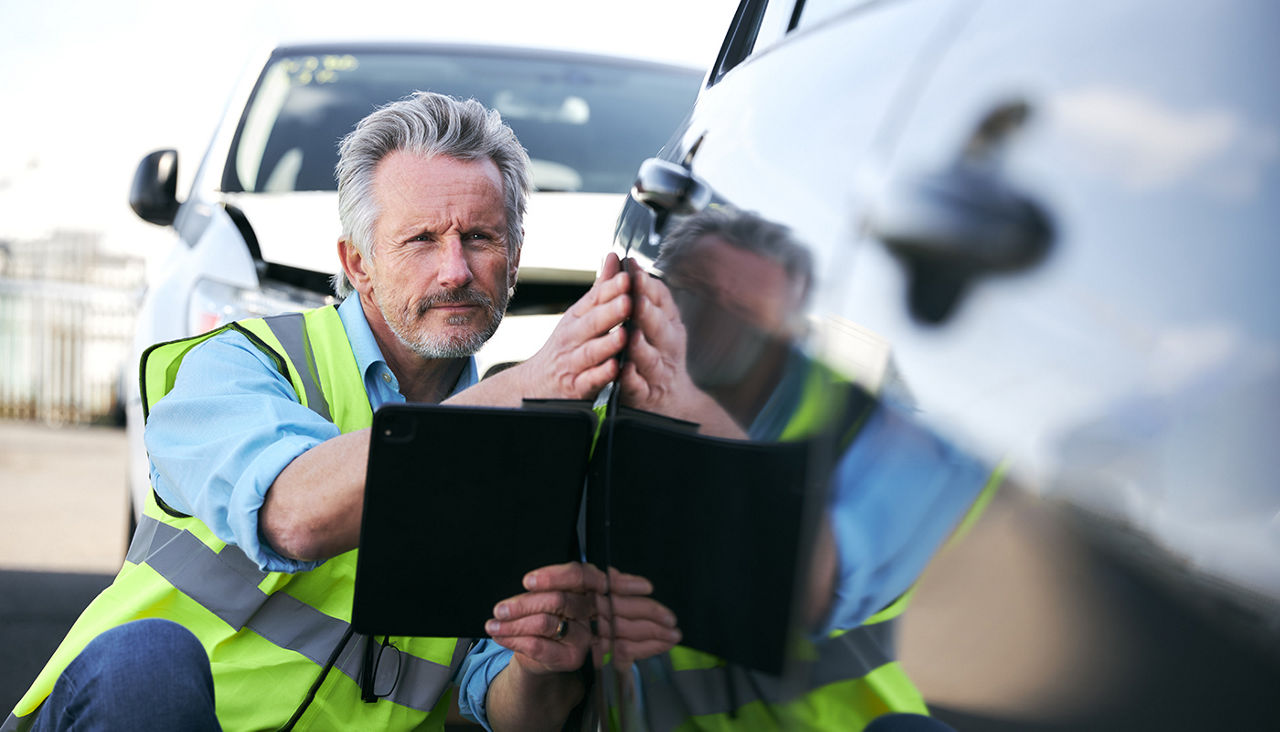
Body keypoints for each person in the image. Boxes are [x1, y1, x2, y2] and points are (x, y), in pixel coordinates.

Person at [5, 92, 679, 732]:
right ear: (356, 262)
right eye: (421, 240)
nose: (454, 271)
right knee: (146, 658)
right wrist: (536, 381)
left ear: (514, 261)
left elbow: (501, 712)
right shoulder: (239, 367)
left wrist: (542, 658)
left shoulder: (530, 458)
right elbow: (292, 516)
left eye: (479, 237)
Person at [614, 206, 996, 730]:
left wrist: (687, 408)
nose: (711, 331)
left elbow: (802, 586)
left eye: (746, 317)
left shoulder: (894, 443)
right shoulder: (612, 419)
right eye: (695, 298)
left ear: (793, 332)